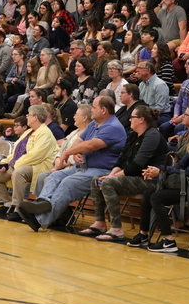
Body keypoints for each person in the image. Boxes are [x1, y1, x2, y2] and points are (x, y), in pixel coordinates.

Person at [17, 96, 126, 231]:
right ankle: (42, 203)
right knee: (54, 176)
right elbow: (79, 140)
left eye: (94, 107)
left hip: (101, 170)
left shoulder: (113, 127)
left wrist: (68, 153)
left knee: (67, 183)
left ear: (103, 110)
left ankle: (39, 220)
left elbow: (90, 145)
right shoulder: (94, 124)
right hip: (83, 166)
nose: (91, 110)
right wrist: (75, 151)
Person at [131, 117, 189, 251]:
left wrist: (161, 171)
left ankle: (168, 240)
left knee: (157, 197)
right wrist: (158, 170)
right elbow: (180, 166)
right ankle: (143, 234)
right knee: (148, 193)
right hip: (188, 187)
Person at [79, 106, 169, 242]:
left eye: (132, 117)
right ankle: (99, 223)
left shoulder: (152, 135)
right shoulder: (132, 134)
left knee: (108, 183)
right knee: (97, 180)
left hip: (150, 180)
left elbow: (137, 165)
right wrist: (111, 174)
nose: (129, 120)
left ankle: (117, 229)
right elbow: (121, 159)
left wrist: (112, 177)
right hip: (133, 177)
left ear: (141, 120)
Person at [0, 105, 59, 218]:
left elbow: (36, 156)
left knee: (18, 172)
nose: (27, 117)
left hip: (38, 165)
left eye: (29, 115)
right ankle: (6, 203)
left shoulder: (45, 133)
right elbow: (16, 152)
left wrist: (16, 165)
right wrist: (5, 163)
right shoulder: (28, 132)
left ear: (35, 117)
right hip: (21, 163)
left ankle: (18, 208)